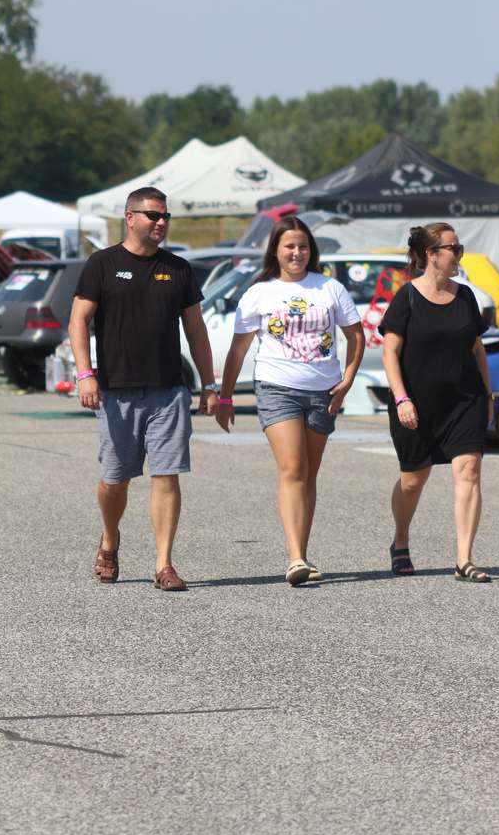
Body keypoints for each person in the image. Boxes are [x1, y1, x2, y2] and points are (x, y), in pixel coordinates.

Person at [69, 187, 218, 592]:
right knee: (114, 480)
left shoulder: (179, 269)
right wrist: (85, 374)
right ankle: (110, 540)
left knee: (167, 475)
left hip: (169, 390)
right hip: (116, 389)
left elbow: (196, 330)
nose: (161, 222)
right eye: (153, 215)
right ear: (130, 217)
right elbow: (79, 320)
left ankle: (164, 564)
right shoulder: (102, 264)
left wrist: (210, 385)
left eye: (166, 215)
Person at [216, 215, 365, 586]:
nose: (297, 252)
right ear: (276, 251)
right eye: (289, 246)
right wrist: (225, 396)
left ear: (310, 250)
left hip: (323, 391)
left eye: (302, 246)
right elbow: (238, 349)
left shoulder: (329, 288)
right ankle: (295, 557)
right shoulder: (259, 292)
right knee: (293, 468)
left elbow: (356, 335)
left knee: (308, 475)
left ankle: (303, 551)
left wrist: (347, 380)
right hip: (276, 387)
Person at [379, 223, 493, 583]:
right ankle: (400, 541)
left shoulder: (466, 297)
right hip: (417, 404)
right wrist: (401, 399)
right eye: (453, 249)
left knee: (469, 470)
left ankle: (464, 559)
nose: (458, 255)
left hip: (464, 400)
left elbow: (477, 349)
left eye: (459, 248)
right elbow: (390, 353)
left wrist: (488, 396)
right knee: (413, 480)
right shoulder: (407, 297)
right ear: (431, 254)